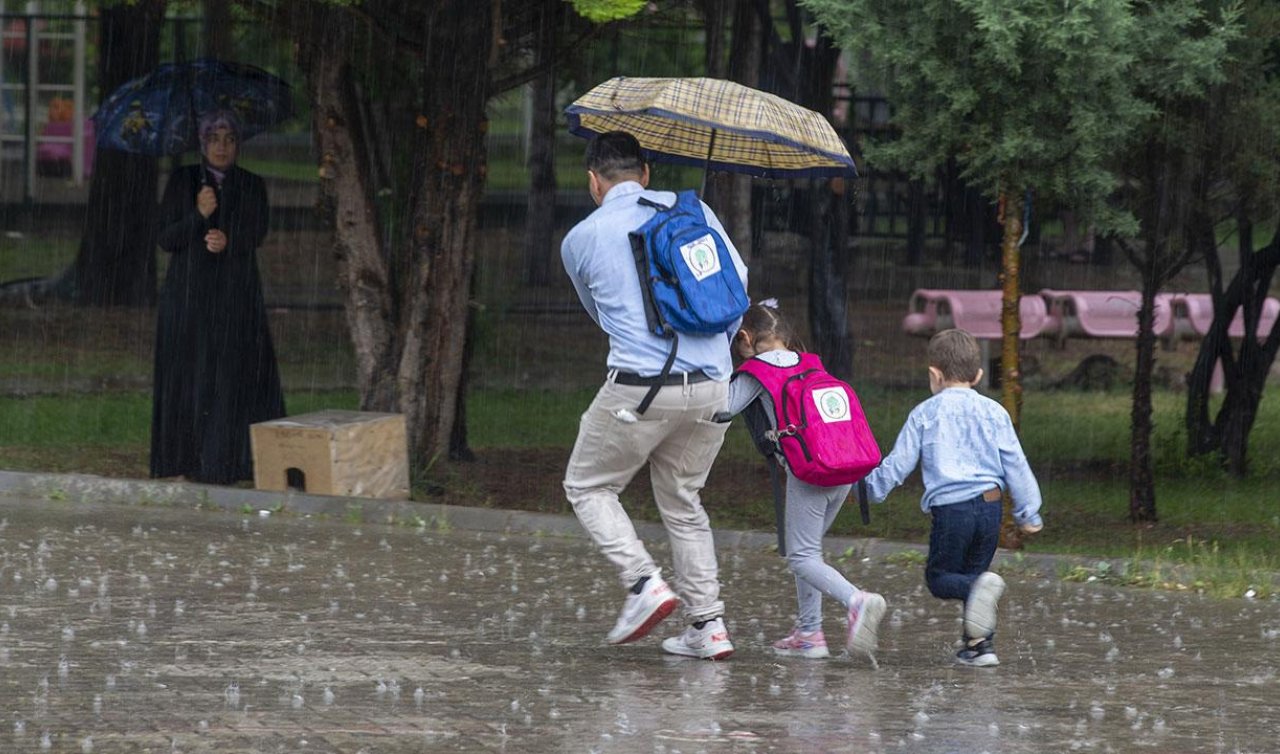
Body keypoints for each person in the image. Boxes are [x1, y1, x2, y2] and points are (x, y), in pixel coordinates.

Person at [560, 131, 747, 660]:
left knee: (589, 486)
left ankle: (644, 584)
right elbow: (738, 288)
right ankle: (708, 626)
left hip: (641, 388)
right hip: (714, 385)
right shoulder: (696, 214)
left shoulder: (581, 238)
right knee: (684, 502)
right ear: (646, 174)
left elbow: (599, 314)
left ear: (594, 182)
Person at [860, 328, 1044, 667]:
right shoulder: (995, 412)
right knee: (976, 576)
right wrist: (1029, 513)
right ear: (978, 374)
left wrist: (869, 490)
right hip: (990, 506)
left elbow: (898, 464)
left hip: (952, 511)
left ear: (934, 374)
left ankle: (978, 615)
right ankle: (979, 647)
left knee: (941, 578)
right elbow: (1016, 463)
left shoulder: (925, 413)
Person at [720, 301, 886, 661]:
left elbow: (721, 408)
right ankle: (809, 632)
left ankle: (857, 601)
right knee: (809, 552)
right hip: (843, 467)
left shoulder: (756, 371)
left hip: (808, 472)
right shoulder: (810, 362)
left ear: (745, 338)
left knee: (802, 556)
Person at [150, 110, 285, 484]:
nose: (221, 146)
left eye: (228, 139)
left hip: (234, 294)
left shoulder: (251, 184)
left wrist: (229, 240)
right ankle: (186, 458)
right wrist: (199, 215)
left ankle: (228, 461)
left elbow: (257, 231)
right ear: (202, 143)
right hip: (189, 296)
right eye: (213, 139)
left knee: (230, 375)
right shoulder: (184, 181)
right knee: (192, 375)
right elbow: (166, 238)